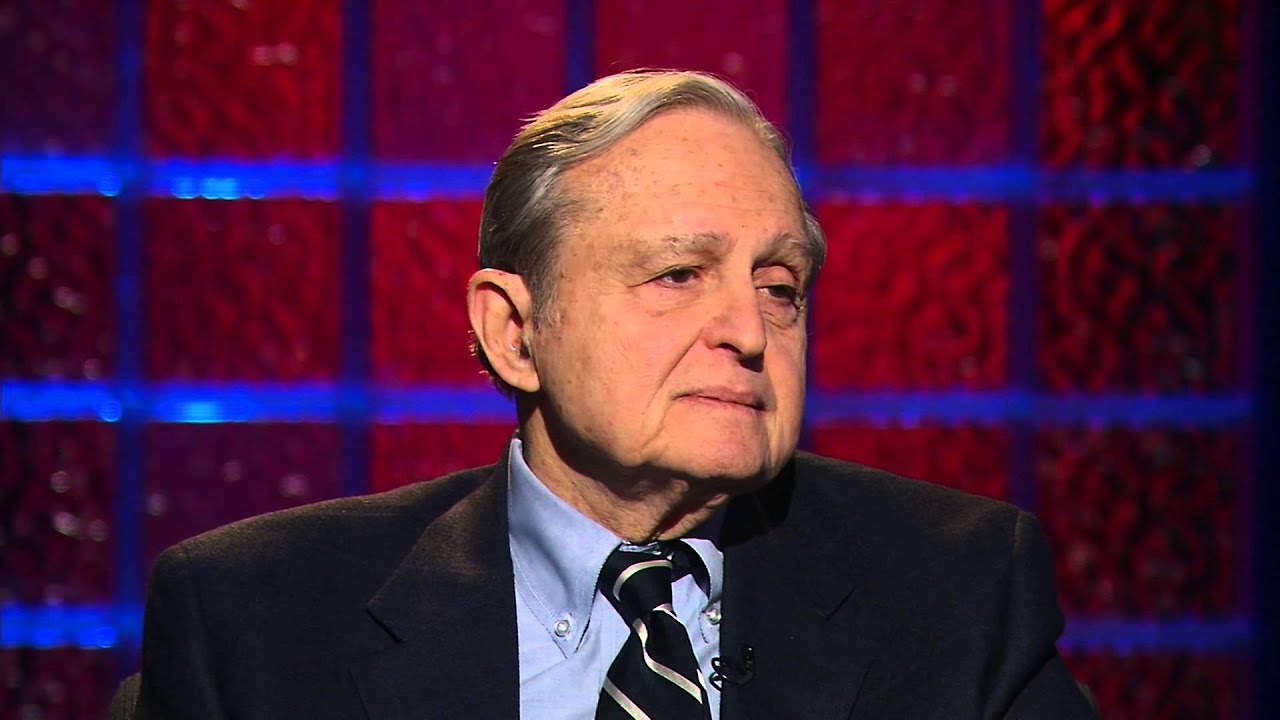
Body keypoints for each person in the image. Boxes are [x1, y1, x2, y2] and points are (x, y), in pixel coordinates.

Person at [127, 70, 1098, 719]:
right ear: (514, 332)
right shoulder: (254, 625)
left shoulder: (960, 595)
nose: (750, 333)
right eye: (679, 275)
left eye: (779, 285)